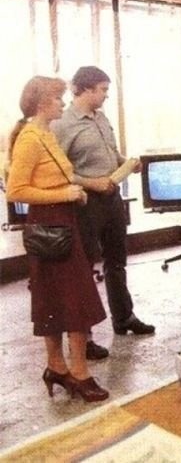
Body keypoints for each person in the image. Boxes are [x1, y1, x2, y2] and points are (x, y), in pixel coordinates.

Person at [6, 76, 109, 402]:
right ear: (41, 104)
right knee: (73, 300)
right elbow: (15, 191)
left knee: (58, 300)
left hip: (62, 223)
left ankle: (58, 368)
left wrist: (72, 192)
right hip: (49, 227)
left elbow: (51, 179)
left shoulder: (46, 134)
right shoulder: (30, 139)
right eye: (57, 99)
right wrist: (64, 193)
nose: (63, 104)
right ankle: (78, 373)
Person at [52, 66, 154, 359]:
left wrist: (126, 163)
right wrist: (91, 182)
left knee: (117, 261)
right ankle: (83, 338)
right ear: (85, 89)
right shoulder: (62, 124)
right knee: (84, 269)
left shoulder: (101, 117)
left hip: (112, 198)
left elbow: (109, 153)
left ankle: (124, 318)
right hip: (86, 203)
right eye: (103, 90)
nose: (106, 96)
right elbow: (59, 171)